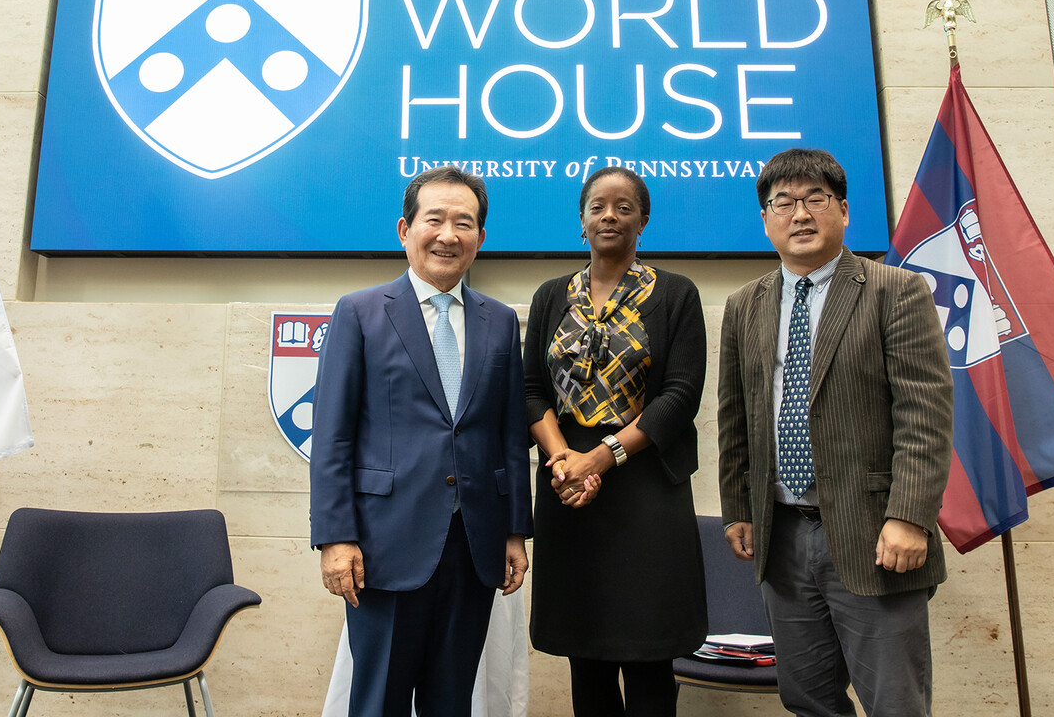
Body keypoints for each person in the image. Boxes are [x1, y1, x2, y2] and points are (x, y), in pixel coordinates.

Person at [717, 148, 954, 717]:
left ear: (843, 211)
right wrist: (738, 508)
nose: (799, 214)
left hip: (875, 535)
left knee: (894, 703)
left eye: (814, 200)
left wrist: (910, 515)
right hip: (782, 538)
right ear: (765, 219)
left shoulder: (895, 290)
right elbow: (736, 417)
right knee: (808, 700)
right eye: (783, 203)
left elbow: (924, 413)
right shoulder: (744, 305)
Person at [310, 166, 533, 717]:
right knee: (378, 700)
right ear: (405, 229)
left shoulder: (500, 321)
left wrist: (514, 531)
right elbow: (332, 437)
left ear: (481, 238)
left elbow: (508, 437)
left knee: (452, 700)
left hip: (474, 545)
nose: (448, 235)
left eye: (465, 223)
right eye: (434, 219)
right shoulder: (359, 313)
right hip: (383, 546)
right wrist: (335, 537)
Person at [524, 166, 708, 717]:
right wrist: (564, 460)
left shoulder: (675, 294)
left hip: (646, 488)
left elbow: (679, 395)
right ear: (582, 221)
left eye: (624, 207)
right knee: (588, 654)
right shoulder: (551, 295)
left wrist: (600, 459)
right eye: (598, 206)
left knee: (649, 656)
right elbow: (532, 389)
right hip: (568, 492)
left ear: (643, 221)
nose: (610, 215)